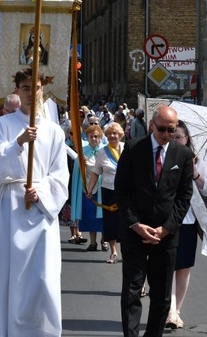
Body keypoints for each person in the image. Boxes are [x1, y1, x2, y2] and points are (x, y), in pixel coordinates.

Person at [0, 67, 69, 336]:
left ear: (43, 90)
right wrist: (18, 143)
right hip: (11, 210)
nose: (30, 93)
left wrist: (42, 193)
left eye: (35, 87)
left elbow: (60, 176)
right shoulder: (3, 125)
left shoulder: (53, 131)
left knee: (42, 279)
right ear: (16, 90)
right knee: (8, 276)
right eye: (25, 88)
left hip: (40, 212)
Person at [114, 104, 194, 337]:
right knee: (132, 290)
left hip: (165, 235)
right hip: (135, 231)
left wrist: (166, 229)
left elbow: (184, 196)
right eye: (162, 129)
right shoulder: (132, 148)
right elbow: (122, 191)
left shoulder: (183, 154)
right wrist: (136, 225)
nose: (167, 135)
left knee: (161, 295)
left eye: (172, 130)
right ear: (151, 125)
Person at [165, 120, 207, 329]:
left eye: (179, 136)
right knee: (166, 267)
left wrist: (196, 174)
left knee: (183, 268)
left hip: (187, 221)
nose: (176, 139)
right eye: (172, 135)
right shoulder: (162, 157)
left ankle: (176, 311)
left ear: (187, 139)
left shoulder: (196, 160)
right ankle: (168, 311)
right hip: (166, 220)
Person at [89, 122, 126, 264]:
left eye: (115, 133)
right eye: (110, 133)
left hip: (125, 191)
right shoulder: (102, 152)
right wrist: (90, 189)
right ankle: (113, 252)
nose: (112, 136)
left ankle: (126, 252)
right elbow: (95, 172)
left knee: (126, 221)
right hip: (108, 191)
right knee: (111, 222)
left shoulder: (127, 148)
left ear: (120, 135)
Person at [70, 124, 105, 249]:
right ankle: (93, 242)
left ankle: (104, 241)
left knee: (103, 217)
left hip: (102, 188)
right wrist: (81, 164)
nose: (94, 139)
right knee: (90, 216)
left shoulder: (105, 150)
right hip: (87, 189)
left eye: (96, 136)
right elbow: (76, 171)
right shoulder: (83, 151)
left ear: (100, 137)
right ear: (87, 137)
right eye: (91, 137)